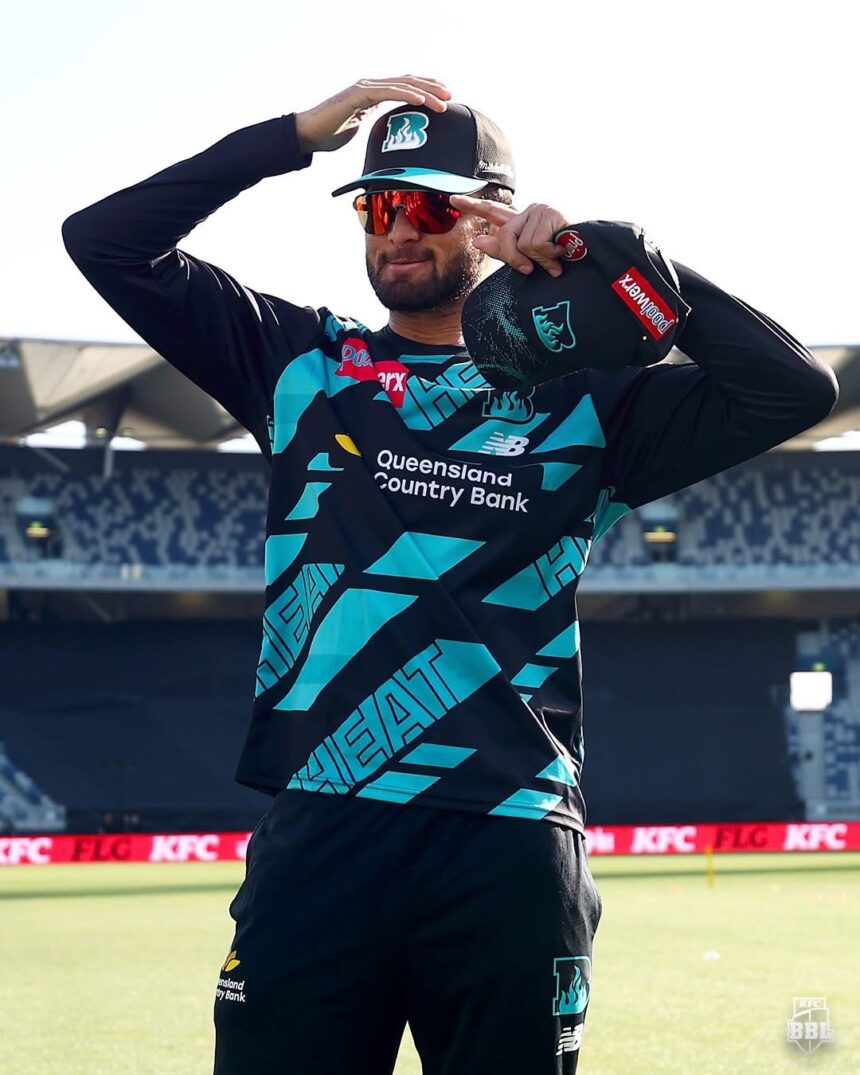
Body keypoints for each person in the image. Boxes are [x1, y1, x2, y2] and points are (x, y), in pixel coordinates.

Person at [62, 74, 838, 1074]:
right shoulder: (300, 365)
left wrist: (610, 261)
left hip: (509, 838)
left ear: (492, 220)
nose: (397, 230)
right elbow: (104, 241)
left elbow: (791, 388)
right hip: (325, 825)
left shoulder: (590, 400)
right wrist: (292, 136)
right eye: (378, 206)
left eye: (429, 208)